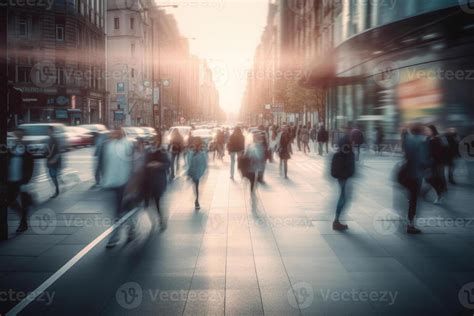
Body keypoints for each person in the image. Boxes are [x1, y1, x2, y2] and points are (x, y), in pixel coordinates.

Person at [101, 128, 134, 248]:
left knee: (119, 210)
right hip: (114, 182)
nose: (112, 133)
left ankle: (115, 236)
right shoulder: (109, 145)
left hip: (124, 182)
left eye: (114, 132)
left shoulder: (127, 144)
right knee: (123, 209)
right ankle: (131, 231)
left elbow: (132, 163)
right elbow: (106, 163)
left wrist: (131, 182)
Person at [402, 124, 430, 234]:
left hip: (408, 173)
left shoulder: (408, 139)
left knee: (411, 198)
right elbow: (423, 160)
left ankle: (409, 221)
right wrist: (430, 163)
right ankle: (410, 224)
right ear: (421, 130)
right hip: (416, 174)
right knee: (414, 200)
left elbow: (407, 155)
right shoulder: (423, 141)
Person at [7, 128, 34, 232]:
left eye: (19, 135)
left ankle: (23, 223)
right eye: (16, 135)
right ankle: (23, 217)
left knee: (24, 202)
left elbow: (30, 165)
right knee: (10, 201)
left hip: (22, 180)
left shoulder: (26, 148)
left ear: (22, 136)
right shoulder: (12, 147)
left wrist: (27, 179)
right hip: (11, 179)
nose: (17, 137)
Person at [145, 131, 171, 230]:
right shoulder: (148, 151)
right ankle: (156, 220)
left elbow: (167, 164)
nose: (153, 142)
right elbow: (144, 163)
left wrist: (158, 165)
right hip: (148, 181)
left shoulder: (162, 152)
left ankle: (161, 219)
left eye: (155, 140)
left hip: (158, 181)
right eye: (153, 140)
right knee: (147, 204)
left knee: (157, 202)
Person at [331, 127, 355, 231]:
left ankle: (337, 220)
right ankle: (336, 221)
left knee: (344, 196)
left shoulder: (344, 141)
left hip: (342, 174)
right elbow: (347, 159)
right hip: (343, 174)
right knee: (343, 197)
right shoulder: (346, 144)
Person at [425, 125, 448, 204]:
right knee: (430, 178)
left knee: (433, 178)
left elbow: (443, 151)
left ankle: (440, 194)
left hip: (437, 162)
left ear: (432, 130)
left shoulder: (438, 139)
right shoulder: (428, 138)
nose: (426, 131)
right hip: (430, 163)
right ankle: (440, 192)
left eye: (427, 130)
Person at [187, 137, 208, 210]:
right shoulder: (192, 151)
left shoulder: (201, 153)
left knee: (196, 185)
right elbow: (189, 162)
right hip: (193, 171)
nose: (196, 145)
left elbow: (204, 163)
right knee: (195, 186)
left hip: (197, 172)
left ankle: (196, 201)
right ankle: (196, 200)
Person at [46, 126, 61, 198]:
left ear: (52, 131)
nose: (48, 132)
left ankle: (57, 191)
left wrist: (54, 160)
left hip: (53, 162)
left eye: (49, 131)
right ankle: (56, 190)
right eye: (47, 131)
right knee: (52, 176)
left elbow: (58, 152)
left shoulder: (55, 140)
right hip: (49, 161)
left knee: (53, 176)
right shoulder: (48, 140)